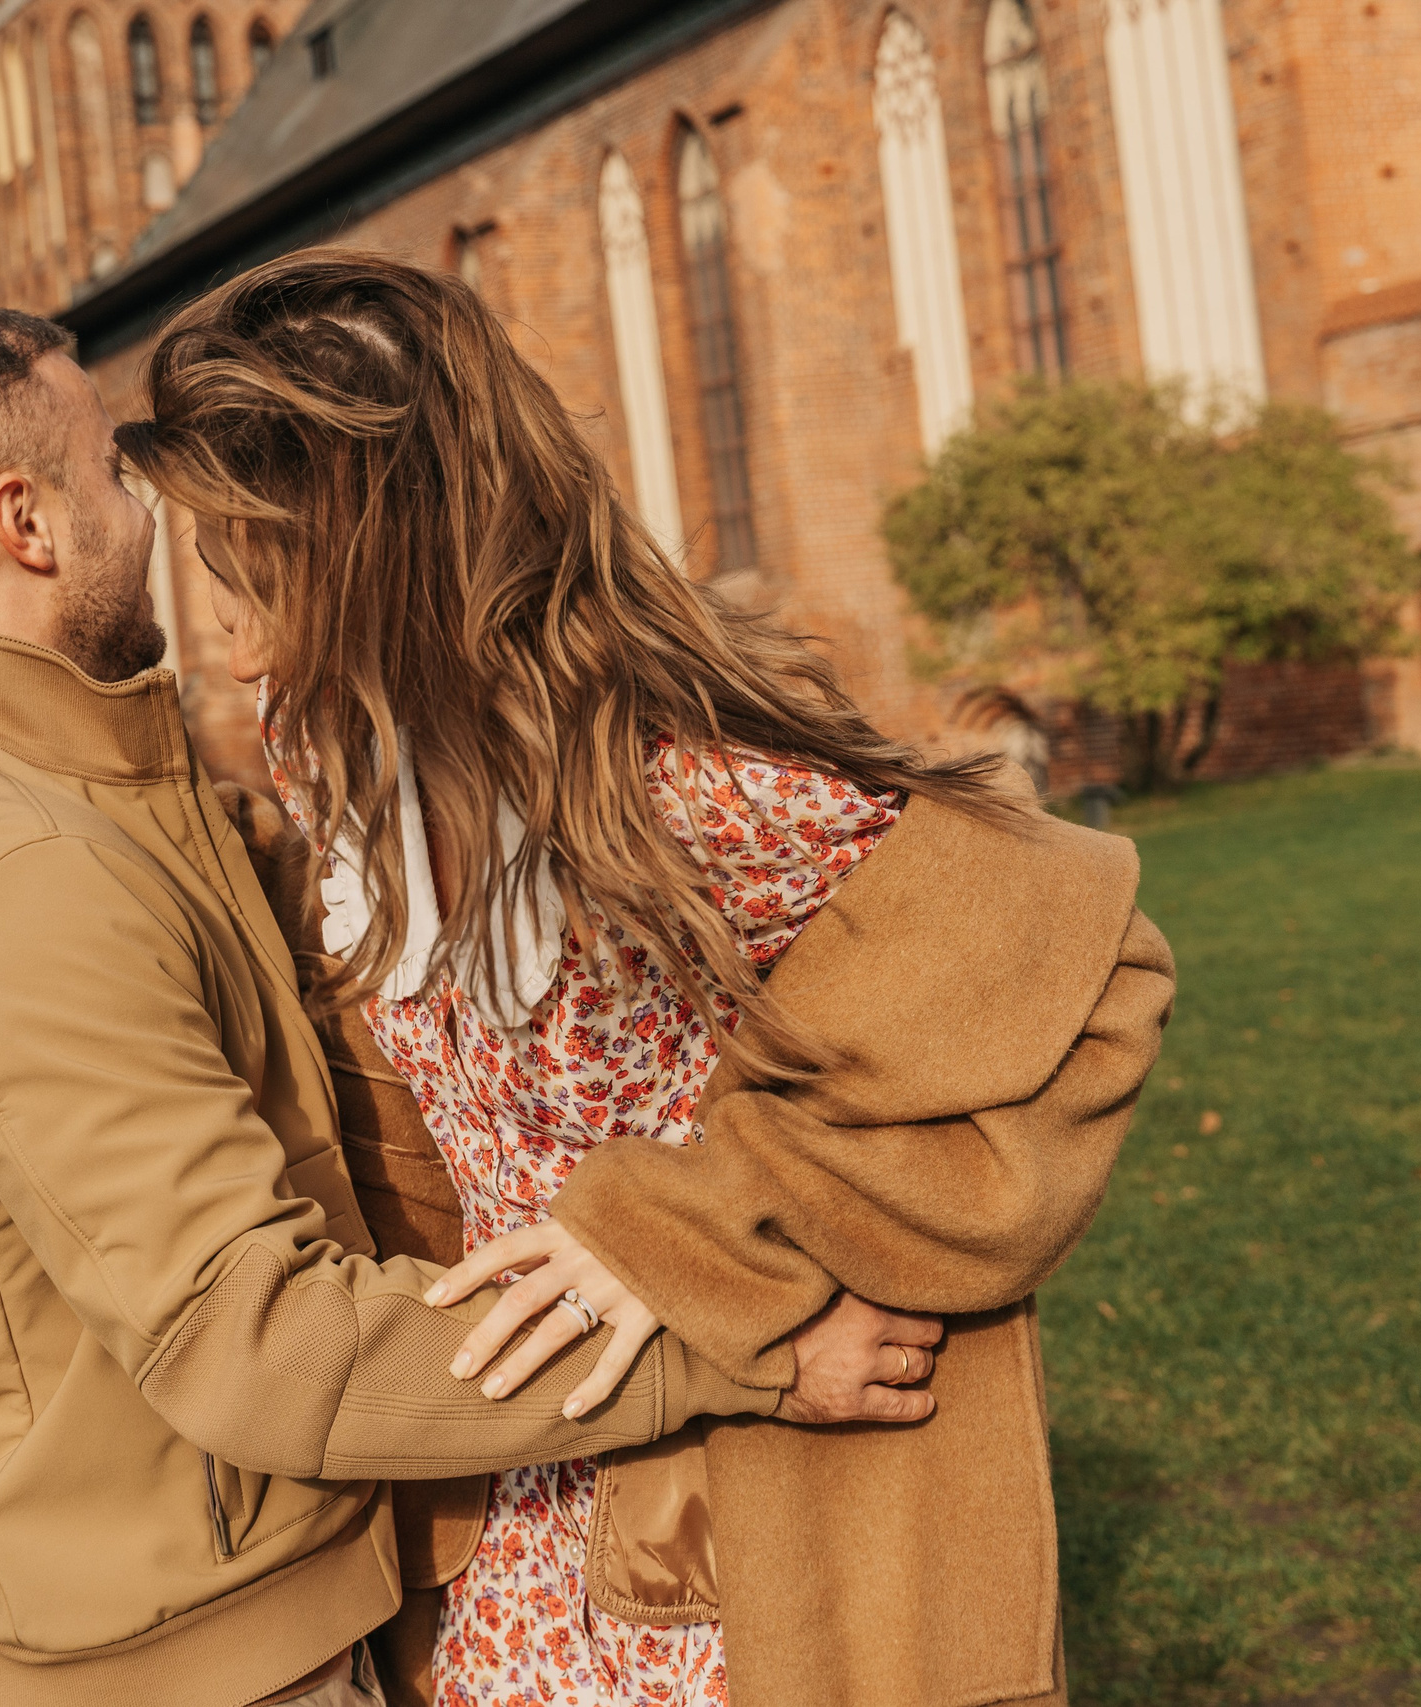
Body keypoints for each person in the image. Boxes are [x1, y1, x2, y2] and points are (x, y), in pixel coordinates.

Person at [0, 308, 948, 1707]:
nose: (146, 512)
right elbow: (255, 1339)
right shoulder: (16, 873)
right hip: (193, 1670)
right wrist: (737, 1338)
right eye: (111, 473)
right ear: (23, 521)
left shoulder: (43, 787)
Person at [118, 253, 1175, 1707]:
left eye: (247, 575)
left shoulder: (669, 775)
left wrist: (682, 1225)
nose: (219, 631)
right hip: (517, 1512)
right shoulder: (336, 758)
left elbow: (1092, 970)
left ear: (377, 553)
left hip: (744, 1513)